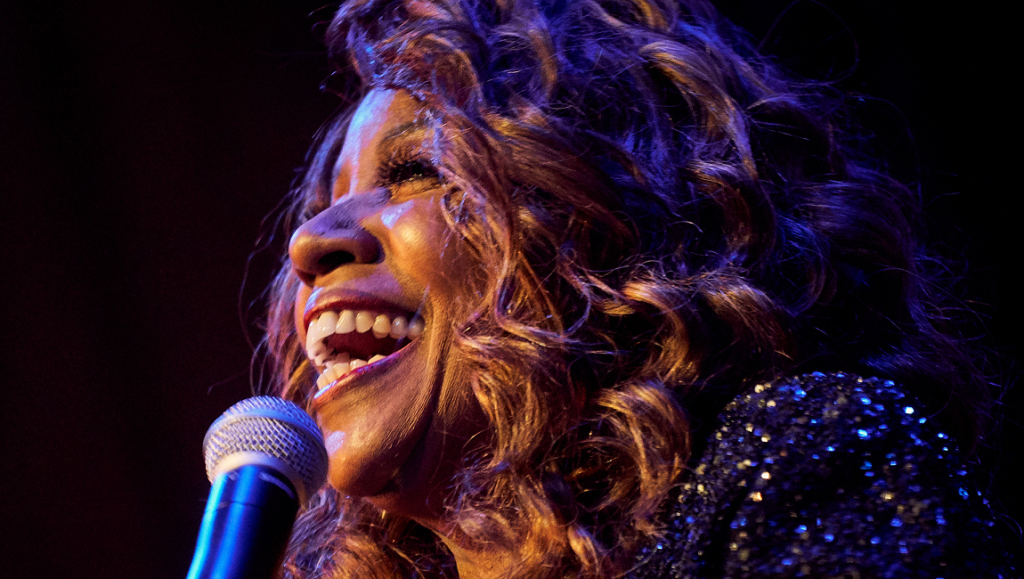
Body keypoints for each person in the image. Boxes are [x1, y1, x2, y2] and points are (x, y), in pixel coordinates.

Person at [263, 0, 1015, 577]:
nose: (309, 242)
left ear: (593, 225)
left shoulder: (805, 460)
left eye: (417, 170)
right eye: (325, 201)